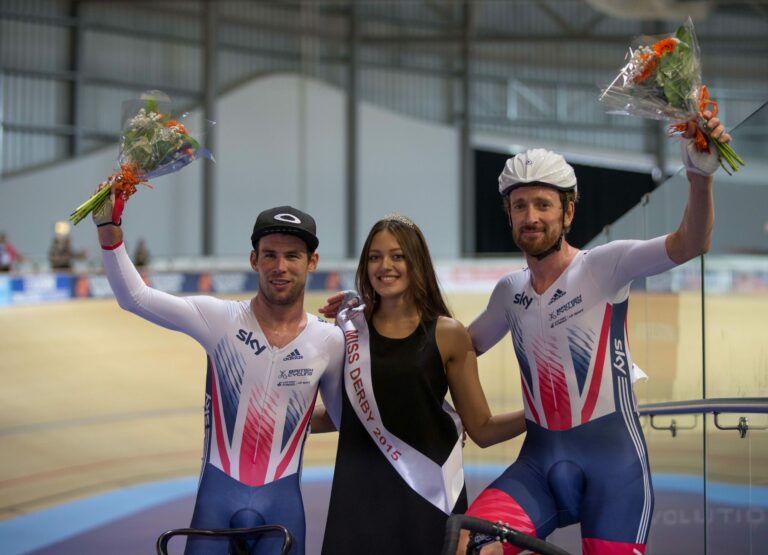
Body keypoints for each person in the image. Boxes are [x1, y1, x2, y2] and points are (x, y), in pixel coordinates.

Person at [457, 112, 730, 554]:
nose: (531, 217)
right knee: (468, 543)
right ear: (507, 215)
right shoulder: (509, 292)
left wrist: (699, 178)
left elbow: (689, 244)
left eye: (543, 205)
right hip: (538, 466)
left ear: (568, 212)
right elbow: (457, 348)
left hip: (615, 470)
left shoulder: (603, 266)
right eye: (519, 206)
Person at [92, 195, 345, 555]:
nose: (280, 266)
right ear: (254, 260)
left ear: (312, 262)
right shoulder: (220, 319)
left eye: (293, 256)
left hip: (282, 506)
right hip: (218, 503)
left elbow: (344, 418)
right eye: (270, 255)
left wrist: (365, 320)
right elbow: (134, 297)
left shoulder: (329, 341)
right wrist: (108, 228)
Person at [313, 214, 526, 555]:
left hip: (428, 501)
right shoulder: (348, 331)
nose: (385, 266)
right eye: (375, 257)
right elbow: (343, 415)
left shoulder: (448, 334)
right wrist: (277, 419)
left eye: (397, 256)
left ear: (417, 262)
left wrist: (537, 413)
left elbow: (483, 430)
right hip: (358, 497)